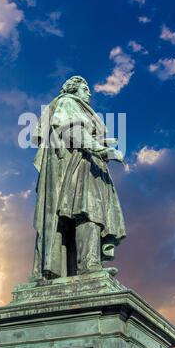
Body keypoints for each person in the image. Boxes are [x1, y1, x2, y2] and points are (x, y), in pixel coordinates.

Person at [30, 76, 126, 280]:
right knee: (89, 211)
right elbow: (71, 130)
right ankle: (88, 267)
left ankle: (88, 265)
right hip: (79, 166)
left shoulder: (79, 107)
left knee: (92, 212)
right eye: (85, 88)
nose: (89, 92)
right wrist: (102, 149)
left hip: (88, 164)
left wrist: (101, 142)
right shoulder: (67, 101)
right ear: (73, 90)